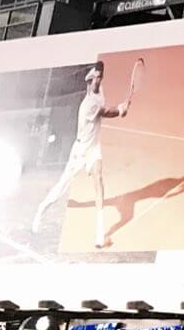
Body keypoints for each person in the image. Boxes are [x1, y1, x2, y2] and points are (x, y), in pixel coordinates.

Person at [30, 63, 131, 248]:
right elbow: (106, 112)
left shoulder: (98, 87)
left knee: (99, 181)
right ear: (91, 80)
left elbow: (107, 108)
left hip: (94, 148)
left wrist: (120, 109)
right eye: (95, 78)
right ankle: (40, 211)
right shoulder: (89, 104)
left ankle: (100, 234)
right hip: (80, 150)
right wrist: (120, 109)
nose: (97, 81)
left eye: (100, 77)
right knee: (61, 187)